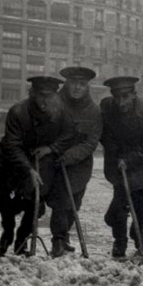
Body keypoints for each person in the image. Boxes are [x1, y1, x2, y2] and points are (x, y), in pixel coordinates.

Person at [0, 75, 75, 257]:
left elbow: (69, 134)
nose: (45, 101)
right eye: (41, 95)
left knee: (34, 202)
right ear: (33, 93)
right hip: (11, 163)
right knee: (5, 203)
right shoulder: (17, 112)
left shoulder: (61, 112)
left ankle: (22, 239)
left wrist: (51, 148)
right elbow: (12, 145)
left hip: (41, 161)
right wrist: (28, 169)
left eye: (50, 96)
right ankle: (7, 234)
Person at [100, 76, 143, 258]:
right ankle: (119, 241)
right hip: (120, 166)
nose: (121, 102)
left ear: (134, 94)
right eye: (117, 97)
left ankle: (138, 233)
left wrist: (128, 160)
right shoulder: (107, 108)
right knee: (119, 207)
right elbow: (104, 135)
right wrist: (116, 154)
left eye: (125, 97)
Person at [47, 65, 102, 257]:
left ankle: (64, 236)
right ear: (67, 83)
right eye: (73, 83)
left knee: (74, 203)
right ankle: (57, 239)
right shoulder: (55, 103)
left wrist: (71, 155)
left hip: (80, 165)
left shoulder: (94, 110)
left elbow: (91, 142)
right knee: (61, 202)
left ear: (87, 86)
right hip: (57, 163)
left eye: (82, 84)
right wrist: (56, 152)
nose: (78, 87)